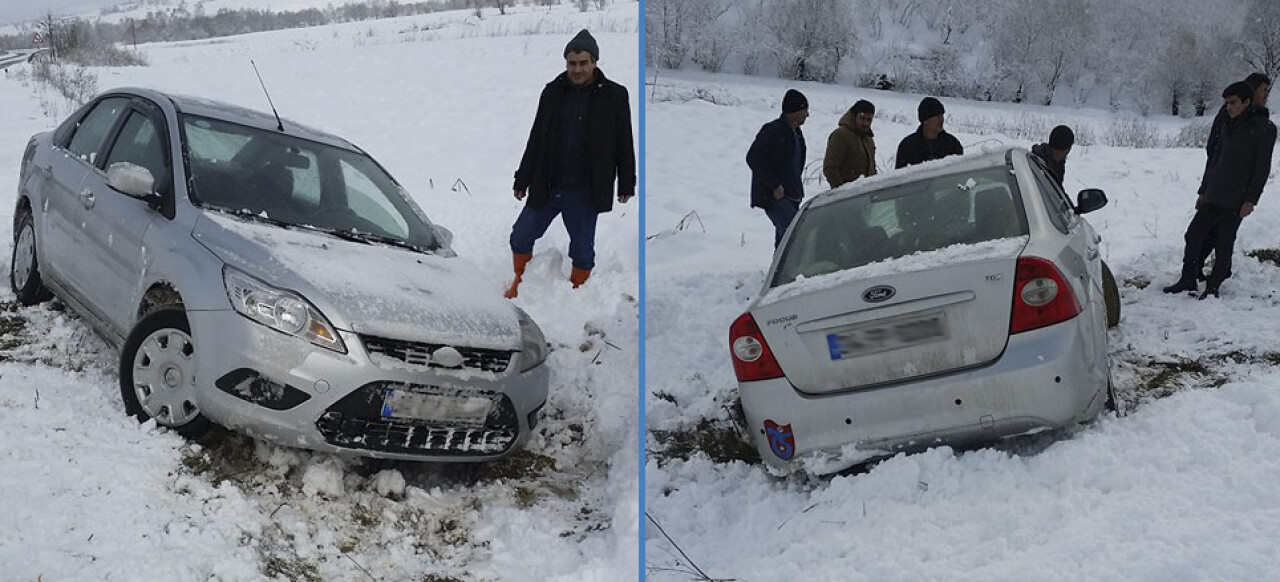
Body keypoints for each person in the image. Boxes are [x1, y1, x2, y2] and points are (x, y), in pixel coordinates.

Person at [505, 29, 636, 298]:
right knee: (520, 236)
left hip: (585, 189)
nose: (577, 69)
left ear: (595, 62)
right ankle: (520, 281)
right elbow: (536, 137)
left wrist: (626, 182)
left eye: (583, 63)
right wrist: (523, 178)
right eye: (571, 63)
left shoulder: (615, 95)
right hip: (548, 183)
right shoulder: (552, 92)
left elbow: (624, 141)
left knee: (582, 250)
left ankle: (576, 294)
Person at [1163, 81, 1276, 299]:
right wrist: (1203, 191)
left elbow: (1262, 168)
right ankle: (1188, 280)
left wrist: (1250, 200)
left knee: (1224, 243)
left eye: (1233, 103)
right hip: (1214, 193)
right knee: (1193, 234)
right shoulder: (1226, 123)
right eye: (1226, 103)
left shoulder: (1264, 128)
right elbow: (1214, 159)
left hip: (1237, 197)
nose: (1229, 108)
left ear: (1246, 102)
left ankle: (1213, 286)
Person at [1196, 73, 1271, 281]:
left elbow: (1261, 163)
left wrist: (1250, 196)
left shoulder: (1262, 119)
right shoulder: (1228, 112)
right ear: (1253, 90)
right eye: (1263, 89)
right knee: (1210, 232)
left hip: (1239, 189)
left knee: (1223, 234)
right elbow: (1215, 146)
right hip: (1220, 182)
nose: (1266, 94)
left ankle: (1217, 273)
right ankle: (1200, 269)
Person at [747, 88, 809, 248]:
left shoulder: (796, 133)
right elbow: (753, 157)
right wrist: (774, 185)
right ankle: (787, 272)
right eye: (805, 110)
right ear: (794, 111)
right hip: (775, 197)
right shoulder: (773, 130)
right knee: (793, 237)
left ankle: (779, 271)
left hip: (793, 195)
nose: (807, 115)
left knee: (784, 240)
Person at [823, 99, 877, 189]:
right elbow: (830, 168)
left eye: (869, 119)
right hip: (848, 196)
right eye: (862, 118)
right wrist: (841, 191)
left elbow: (872, 167)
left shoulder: (868, 138)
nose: (865, 123)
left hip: (866, 193)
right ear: (854, 116)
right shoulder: (840, 135)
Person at [895, 97, 963, 168]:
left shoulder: (953, 145)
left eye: (942, 115)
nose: (941, 119)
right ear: (925, 120)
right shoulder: (907, 146)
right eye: (937, 116)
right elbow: (900, 177)